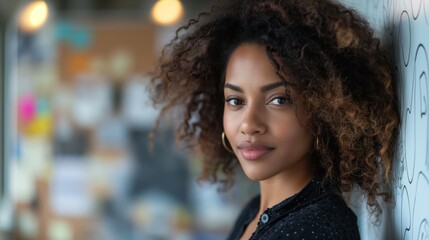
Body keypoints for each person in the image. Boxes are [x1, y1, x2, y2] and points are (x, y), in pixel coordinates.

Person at [149, 0, 399, 239]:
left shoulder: (319, 228)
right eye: (236, 101)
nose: (248, 125)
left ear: (325, 110)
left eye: (278, 100)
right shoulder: (253, 212)